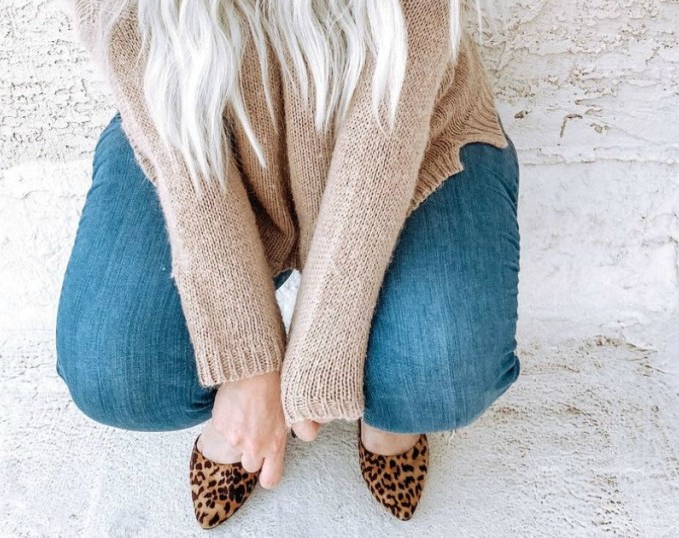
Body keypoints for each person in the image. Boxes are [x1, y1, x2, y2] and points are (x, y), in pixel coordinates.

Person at [55, 0, 521, 528]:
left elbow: (392, 103)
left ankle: (390, 409)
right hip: (193, 127)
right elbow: (138, 53)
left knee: (440, 373)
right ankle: (260, 400)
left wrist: (326, 345)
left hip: (404, 117)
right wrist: (247, 360)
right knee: (113, 368)